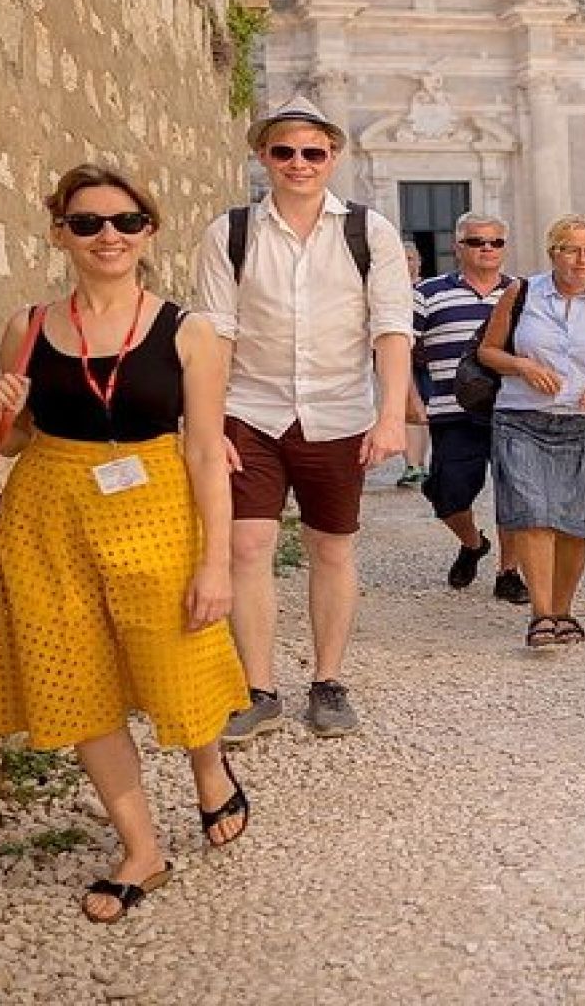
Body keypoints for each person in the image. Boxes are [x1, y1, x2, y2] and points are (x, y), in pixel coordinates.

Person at [0, 164, 250, 923]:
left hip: (156, 504)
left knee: (177, 659)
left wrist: (217, 562)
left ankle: (209, 767)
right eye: (87, 222)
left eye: (125, 222)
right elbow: (18, 440)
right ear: (60, 232)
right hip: (47, 518)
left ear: (148, 231)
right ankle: (140, 848)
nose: (107, 237)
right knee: (75, 676)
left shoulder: (189, 331)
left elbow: (203, 450)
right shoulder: (25, 327)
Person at [195, 96, 413, 741]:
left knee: (331, 547)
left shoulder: (368, 233)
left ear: (333, 158)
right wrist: (207, 428)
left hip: (340, 412)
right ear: (263, 156)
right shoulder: (230, 232)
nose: (298, 164)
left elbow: (392, 327)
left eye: (312, 153)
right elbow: (215, 335)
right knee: (246, 545)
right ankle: (258, 688)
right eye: (284, 152)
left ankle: (327, 681)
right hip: (251, 410)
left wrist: (391, 414)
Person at [478, 215, 585, 648]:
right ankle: (541, 614)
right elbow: (488, 351)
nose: (581, 259)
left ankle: (564, 609)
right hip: (522, 419)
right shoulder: (521, 292)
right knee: (533, 516)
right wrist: (521, 365)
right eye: (570, 248)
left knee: (574, 524)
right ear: (553, 253)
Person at [411, 213, 529, 604]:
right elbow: (399, 350)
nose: (487, 249)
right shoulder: (427, 293)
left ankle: (509, 572)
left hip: (514, 410)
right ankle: (473, 542)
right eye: (477, 242)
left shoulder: (523, 294)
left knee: (515, 494)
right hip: (451, 410)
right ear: (458, 247)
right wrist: (408, 399)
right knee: (447, 494)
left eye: (495, 242)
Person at [398, 241, 430, 489]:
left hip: (426, 356)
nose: (406, 263)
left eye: (410, 258)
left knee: (428, 409)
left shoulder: (428, 291)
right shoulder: (388, 291)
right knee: (404, 408)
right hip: (399, 357)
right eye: (402, 258)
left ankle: (424, 462)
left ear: (419, 262)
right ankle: (413, 465)